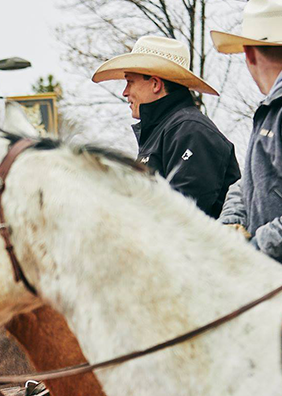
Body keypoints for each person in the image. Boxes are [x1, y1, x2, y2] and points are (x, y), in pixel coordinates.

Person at [92, 35, 241, 218]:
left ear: (155, 84)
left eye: (130, 82)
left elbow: (182, 216)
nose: (125, 92)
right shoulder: (170, 130)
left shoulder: (190, 131)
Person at [213, 0, 282, 260]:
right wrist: (231, 223)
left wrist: (253, 248)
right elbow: (249, 182)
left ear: (249, 54)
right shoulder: (269, 110)